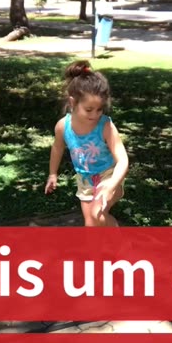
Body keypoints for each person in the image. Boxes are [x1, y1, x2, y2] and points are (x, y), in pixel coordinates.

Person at [44, 60, 128, 226]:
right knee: (90, 224)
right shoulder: (62, 126)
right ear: (73, 102)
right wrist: (52, 174)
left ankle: (119, 239)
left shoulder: (105, 126)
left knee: (97, 214)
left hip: (108, 175)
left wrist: (112, 185)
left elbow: (123, 160)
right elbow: (57, 148)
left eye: (99, 109)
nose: (95, 114)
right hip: (85, 180)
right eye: (89, 109)